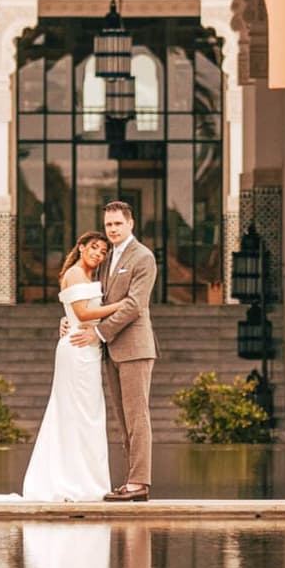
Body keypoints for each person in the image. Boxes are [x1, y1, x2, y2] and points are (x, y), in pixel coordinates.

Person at [0, 234, 116, 504]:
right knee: (74, 413)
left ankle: (85, 480)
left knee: (88, 414)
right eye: (94, 247)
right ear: (81, 247)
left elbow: (77, 313)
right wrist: (123, 306)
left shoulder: (93, 277)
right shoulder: (73, 274)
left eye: (104, 251)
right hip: (75, 349)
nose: (99, 253)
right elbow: (82, 314)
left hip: (90, 350)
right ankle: (70, 482)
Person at [86, 197, 160, 499]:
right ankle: (132, 480)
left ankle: (139, 483)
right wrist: (74, 322)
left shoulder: (143, 257)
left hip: (134, 348)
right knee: (123, 418)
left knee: (137, 416)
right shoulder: (108, 257)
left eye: (118, 223)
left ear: (130, 223)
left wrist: (100, 333)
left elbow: (134, 305)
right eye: (108, 225)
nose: (113, 229)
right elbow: (97, 300)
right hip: (112, 349)